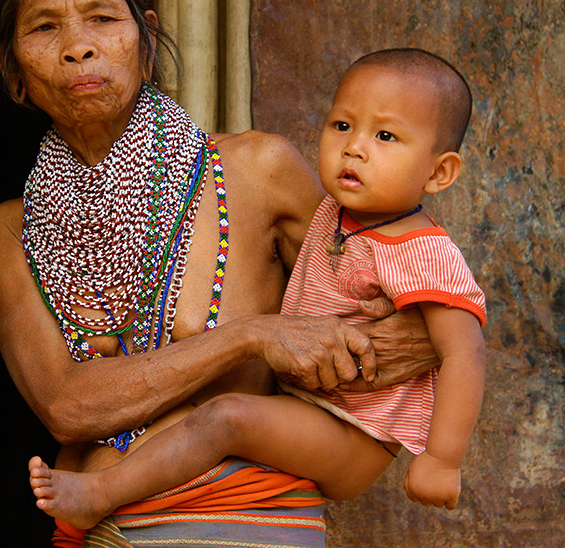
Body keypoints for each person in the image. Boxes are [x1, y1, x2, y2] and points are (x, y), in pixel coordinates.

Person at [0, 0, 440, 547]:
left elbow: (416, 313)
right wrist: (251, 336)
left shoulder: (258, 173)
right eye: (45, 27)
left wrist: (417, 337)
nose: (79, 47)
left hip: (246, 525)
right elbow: (68, 405)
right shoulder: (9, 231)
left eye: (103, 18)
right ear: (11, 67)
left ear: (144, 39)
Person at [26, 48, 487, 530]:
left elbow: (465, 354)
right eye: (342, 126)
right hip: (308, 406)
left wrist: (442, 459)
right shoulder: (331, 214)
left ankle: (101, 494)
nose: (354, 148)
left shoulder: (424, 252)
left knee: (228, 418)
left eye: (386, 136)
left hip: (354, 433)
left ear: (439, 173)